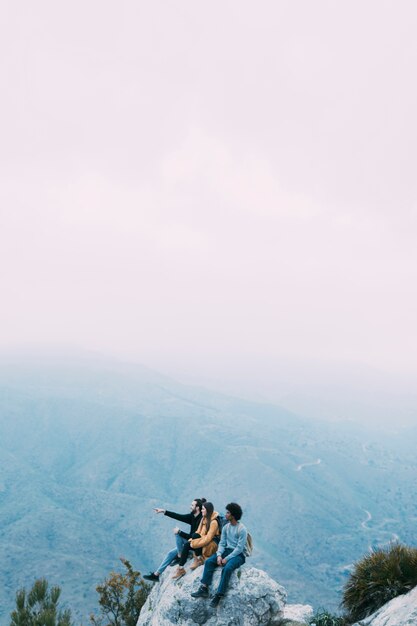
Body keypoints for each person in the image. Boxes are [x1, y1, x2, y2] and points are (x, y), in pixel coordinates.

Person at [191, 502, 247, 607]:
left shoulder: (242, 529)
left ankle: (219, 595)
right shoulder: (226, 527)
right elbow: (222, 543)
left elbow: (239, 549)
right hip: (226, 550)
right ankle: (204, 588)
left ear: (233, 515)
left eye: (228, 513)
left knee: (227, 568)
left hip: (238, 555)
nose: (225, 514)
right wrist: (219, 555)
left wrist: (227, 559)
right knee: (209, 562)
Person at [143, 498, 205, 582]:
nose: (190, 507)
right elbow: (178, 516)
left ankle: (180, 555)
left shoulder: (201, 520)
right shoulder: (192, 516)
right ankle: (156, 575)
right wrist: (163, 511)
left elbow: (194, 537)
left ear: (197, 508)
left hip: (195, 545)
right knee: (171, 553)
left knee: (177, 534)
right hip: (189, 543)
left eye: (192, 505)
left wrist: (179, 532)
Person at [172, 501, 220, 580]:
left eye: (203, 509)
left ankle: (198, 559)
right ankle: (181, 568)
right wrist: (191, 541)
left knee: (194, 539)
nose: (201, 511)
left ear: (207, 510)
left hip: (211, 545)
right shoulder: (203, 519)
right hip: (202, 542)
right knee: (188, 543)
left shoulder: (214, 522)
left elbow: (208, 539)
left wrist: (194, 543)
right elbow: (198, 532)